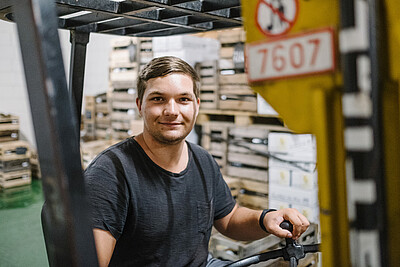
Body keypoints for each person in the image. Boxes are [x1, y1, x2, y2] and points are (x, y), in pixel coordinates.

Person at [84, 56, 310, 267]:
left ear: (196, 105)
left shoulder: (202, 160)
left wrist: (266, 219)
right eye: (158, 99)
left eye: (183, 99)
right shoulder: (109, 174)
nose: (172, 111)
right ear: (139, 105)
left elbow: (229, 219)